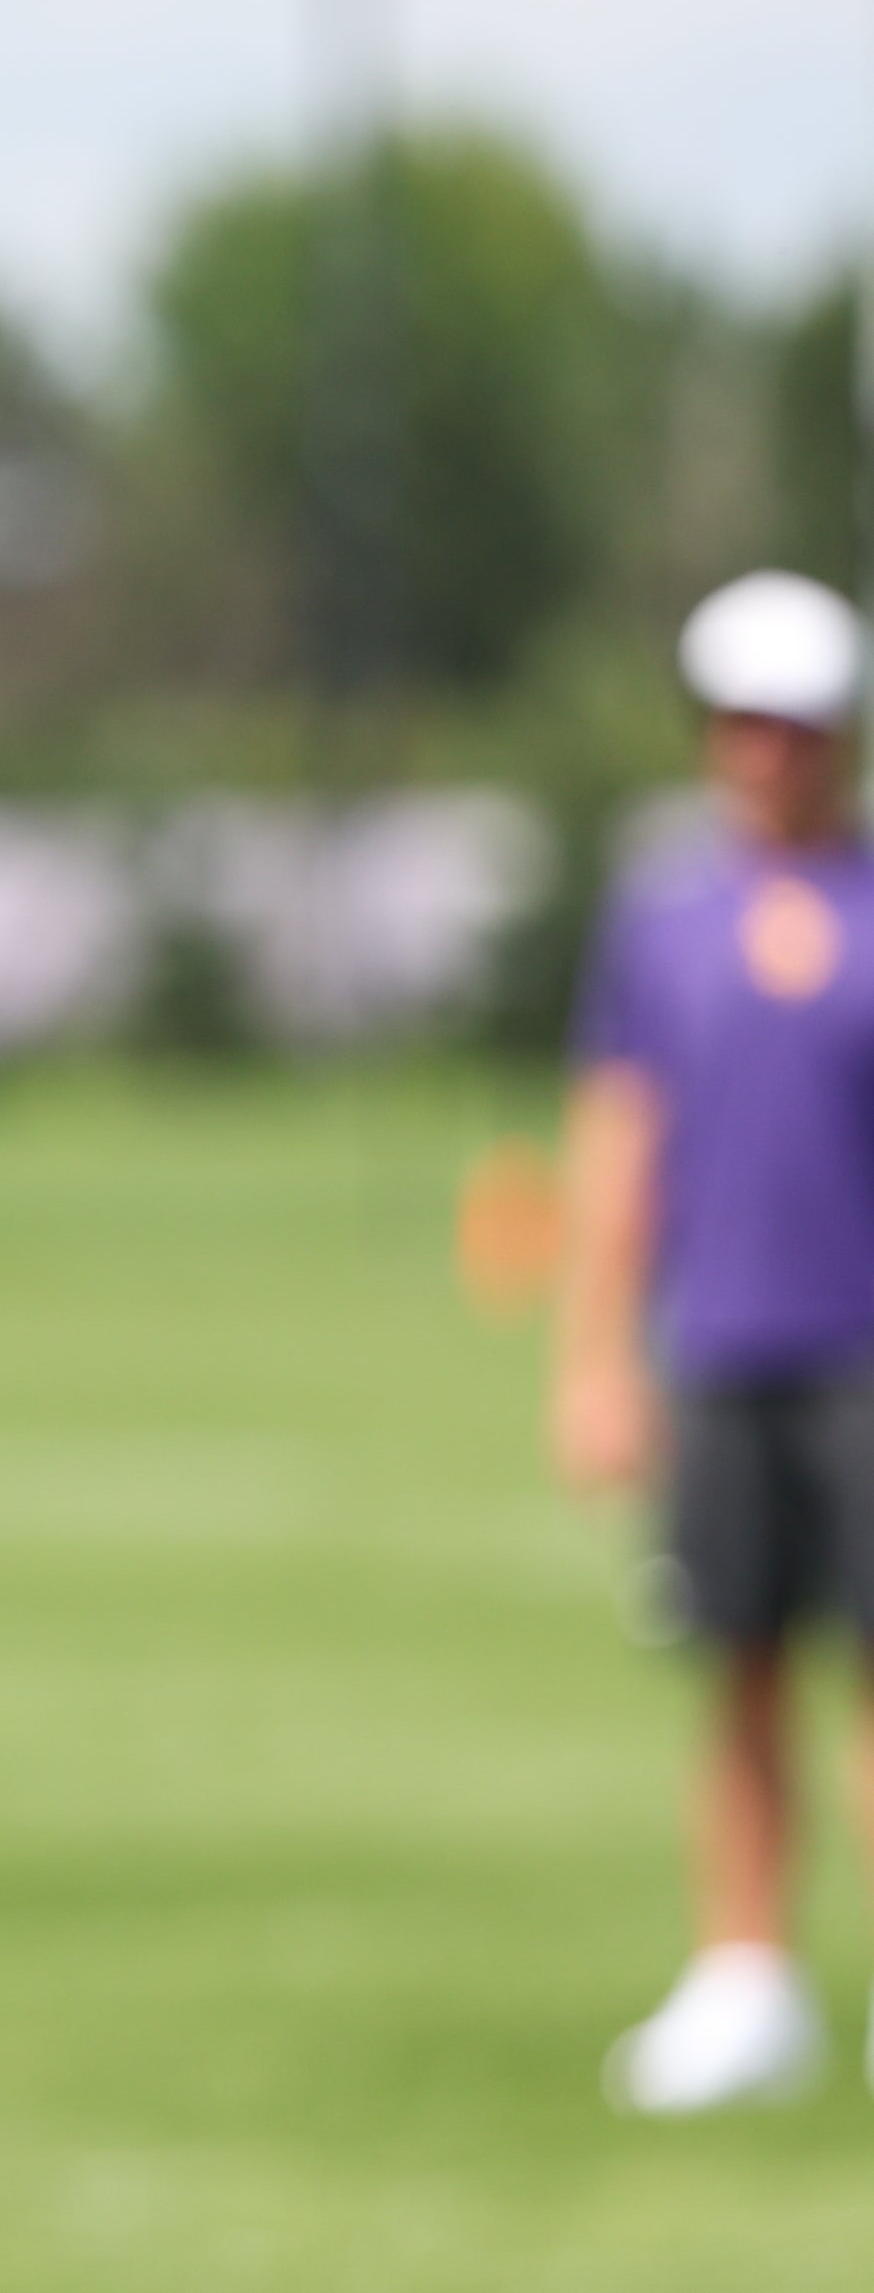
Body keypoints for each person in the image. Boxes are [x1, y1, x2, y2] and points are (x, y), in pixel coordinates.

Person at [557, 567, 874, 2111]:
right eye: (744, 725)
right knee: (738, 1665)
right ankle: (747, 1974)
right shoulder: (663, 919)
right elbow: (621, 1139)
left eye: (796, 727)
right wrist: (592, 1355)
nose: (769, 754)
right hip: (727, 1345)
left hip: (865, 1355)